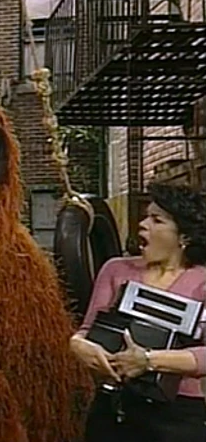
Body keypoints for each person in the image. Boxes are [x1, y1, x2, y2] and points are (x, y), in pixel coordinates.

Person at [70, 182, 206, 442]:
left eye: (157, 220)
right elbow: (86, 331)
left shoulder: (202, 282)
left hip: (177, 418)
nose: (143, 224)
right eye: (145, 217)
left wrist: (148, 360)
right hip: (114, 408)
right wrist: (78, 345)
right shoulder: (115, 270)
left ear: (184, 237)